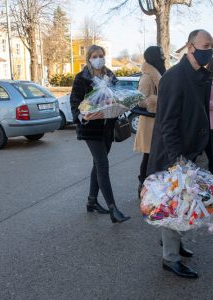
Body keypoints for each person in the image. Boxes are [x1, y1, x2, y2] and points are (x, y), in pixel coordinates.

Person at [147, 29, 213, 279]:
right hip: (177, 155)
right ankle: (170, 259)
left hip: (194, 150)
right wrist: (177, 161)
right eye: (205, 45)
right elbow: (167, 122)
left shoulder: (199, 75)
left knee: (187, 204)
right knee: (176, 206)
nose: (209, 50)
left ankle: (173, 244)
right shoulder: (176, 77)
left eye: (212, 45)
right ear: (190, 46)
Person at [70, 44, 130, 224]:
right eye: (95, 56)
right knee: (103, 164)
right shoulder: (82, 78)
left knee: (98, 165)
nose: (98, 59)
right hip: (90, 128)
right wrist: (82, 115)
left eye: (101, 55)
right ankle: (113, 208)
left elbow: (120, 95)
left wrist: (122, 104)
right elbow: (75, 102)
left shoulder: (110, 75)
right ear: (89, 58)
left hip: (107, 127)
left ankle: (91, 201)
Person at [134, 46, 166, 198]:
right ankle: (143, 186)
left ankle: (153, 186)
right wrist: (157, 99)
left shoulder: (159, 75)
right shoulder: (147, 77)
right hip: (149, 123)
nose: (164, 57)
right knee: (148, 157)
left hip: (158, 121)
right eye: (161, 55)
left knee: (157, 156)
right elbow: (140, 101)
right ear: (155, 57)